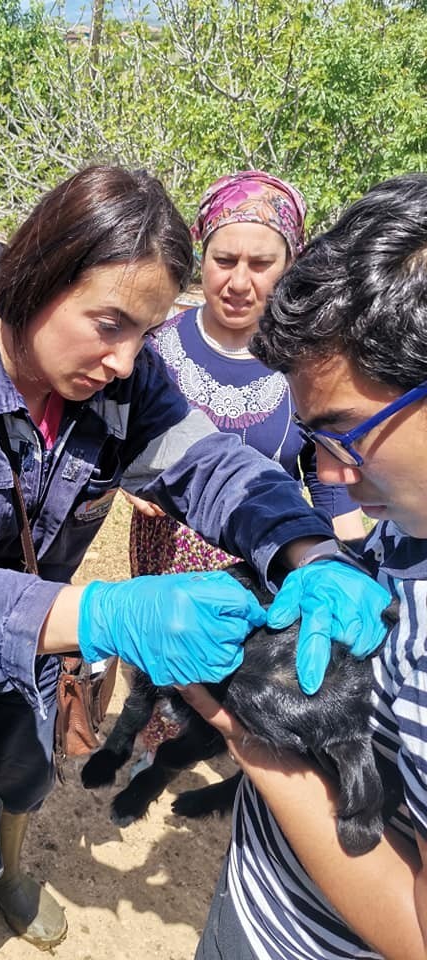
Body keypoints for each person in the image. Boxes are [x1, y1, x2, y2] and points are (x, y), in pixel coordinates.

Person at [0, 165, 389, 960]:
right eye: (110, 324)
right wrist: (108, 615)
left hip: (37, 644)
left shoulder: (119, 386)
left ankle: (9, 874)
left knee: (24, 782)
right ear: (38, 278)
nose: (129, 361)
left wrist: (308, 549)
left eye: (147, 330)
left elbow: (209, 468)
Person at [184, 172, 427, 960]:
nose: (325, 473)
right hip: (261, 896)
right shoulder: (409, 524)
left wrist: (249, 739)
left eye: (344, 435)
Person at [127, 169, 365, 759]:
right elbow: (111, 446)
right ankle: (159, 743)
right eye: (223, 259)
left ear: (292, 263)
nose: (237, 281)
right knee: (167, 668)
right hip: (167, 556)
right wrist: (121, 487)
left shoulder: (309, 362)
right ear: (200, 258)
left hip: (267, 564)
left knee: (246, 690)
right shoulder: (152, 345)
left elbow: (324, 473)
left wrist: (344, 558)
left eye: (260, 264)